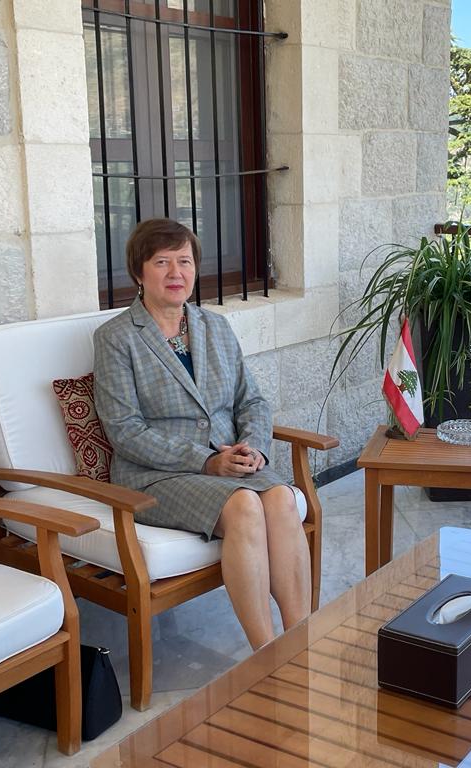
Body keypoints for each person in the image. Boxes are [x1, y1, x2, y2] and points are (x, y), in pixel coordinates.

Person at [93, 218, 309, 650]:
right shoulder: (116, 338)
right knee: (244, 505)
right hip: (157, 475)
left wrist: (254, 448)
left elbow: (252, 401)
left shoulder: (215, 327)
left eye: (185, 261)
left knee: (283, 499)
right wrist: (207, 462)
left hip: (229, 463)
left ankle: (302, 641)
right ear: (138, 272)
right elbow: (125, 431)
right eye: (162, 262)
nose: (176, 273)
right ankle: (267, 655)